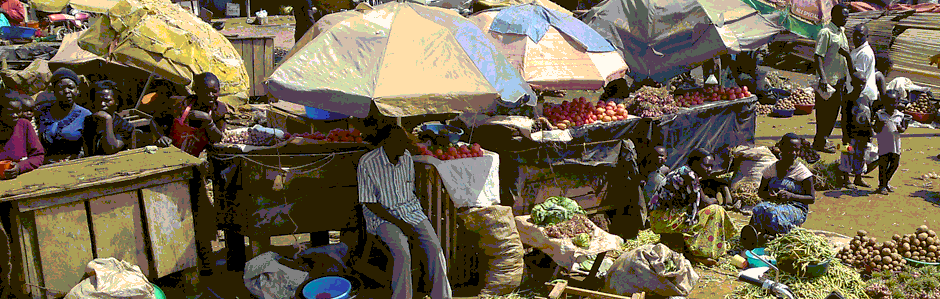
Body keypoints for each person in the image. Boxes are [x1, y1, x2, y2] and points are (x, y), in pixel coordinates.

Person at [357, 119, 452, 299]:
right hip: (382, 216)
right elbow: (369, 203)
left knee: (435, 247)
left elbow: (409, 191)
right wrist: (401, 224)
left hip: (410, 210)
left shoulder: (406, 157)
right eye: (400, 142)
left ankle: (442, 296)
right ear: (386, 142)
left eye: (406, 142)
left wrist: (411, 221)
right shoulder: (367, 163)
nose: (405, 147)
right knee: (402, 252)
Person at [647, 149, 736, 265]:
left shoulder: (685, 172)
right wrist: (716, 199)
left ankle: (680, 246)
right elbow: (706, 202)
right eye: (706, 165)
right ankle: (700, 253)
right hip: (662, 220)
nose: (709, 170)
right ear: (694, 163)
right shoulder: (689, 175)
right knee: (715, 210)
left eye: (711, 166)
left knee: (704, 211)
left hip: (659, 218)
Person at [741, 133, 816, 250]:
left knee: (774, 213)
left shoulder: (803, 173)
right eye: (790, 150)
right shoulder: (771, 169)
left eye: (797, 150)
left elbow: (811, 199)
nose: (794, 154)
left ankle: (777, 239)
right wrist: (770, 196)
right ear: (781, 149)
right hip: (775, 203)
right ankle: (751, 241)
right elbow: (761, 193)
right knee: (759, 208)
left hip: (796, 207)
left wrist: (791, 196)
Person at [813, 4, 855, 154]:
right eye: (844, 16)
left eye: (847, 16)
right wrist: (823, 78)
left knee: (833, 113)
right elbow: (818, 56)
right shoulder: (826, 33)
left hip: (839, 80)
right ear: (835, 15)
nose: (846, 19)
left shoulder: (841, 31)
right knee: (824, 113)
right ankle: (820, 141)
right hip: (828, 81)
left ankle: (822, 140)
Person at [152, 72, 227, 156]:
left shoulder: (218, 110)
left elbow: (219, 139)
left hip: (199, 160)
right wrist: (161, 136)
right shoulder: (179, 104)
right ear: (196, 90)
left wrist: (209, 122)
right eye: (205, 91)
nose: (210, 95)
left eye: (214, 92)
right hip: (170, 153)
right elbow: (155, 121)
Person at [37, 68, 92, 164]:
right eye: (61, 88)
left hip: (74, 164)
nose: (66, 91)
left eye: (71, 87)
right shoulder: (43, 112)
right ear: (53, 91)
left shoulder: (85, 115)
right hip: (45, 164)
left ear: (77, 90)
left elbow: (89, 147)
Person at [1, 90, 45, 180]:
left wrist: (20, 167)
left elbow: (38, 156)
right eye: (10, 112)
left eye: (18, 111)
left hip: (22, 180)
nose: (15, 115)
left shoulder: (24, 125)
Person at [83, 80, 135, 157]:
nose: (102, 104)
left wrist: (107, 120)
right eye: (98, 100)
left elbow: (111, 148)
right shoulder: (89, 121)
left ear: (116, 101)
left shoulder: (124, 126)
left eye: (107, 100)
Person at [874, 90, 910, 195]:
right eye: (888, 102)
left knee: (894, 164)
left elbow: (903, 129)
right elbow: (876, 129)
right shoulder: (880, 114)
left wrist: (900, 128)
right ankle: (882, 186)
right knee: (883, 165)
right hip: (884, 145)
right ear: (884, 102)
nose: (891, 105)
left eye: (894, 102)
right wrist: (879, 125)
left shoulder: (900, 115)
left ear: (898, 102)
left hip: (896, 145)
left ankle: (885, 182)